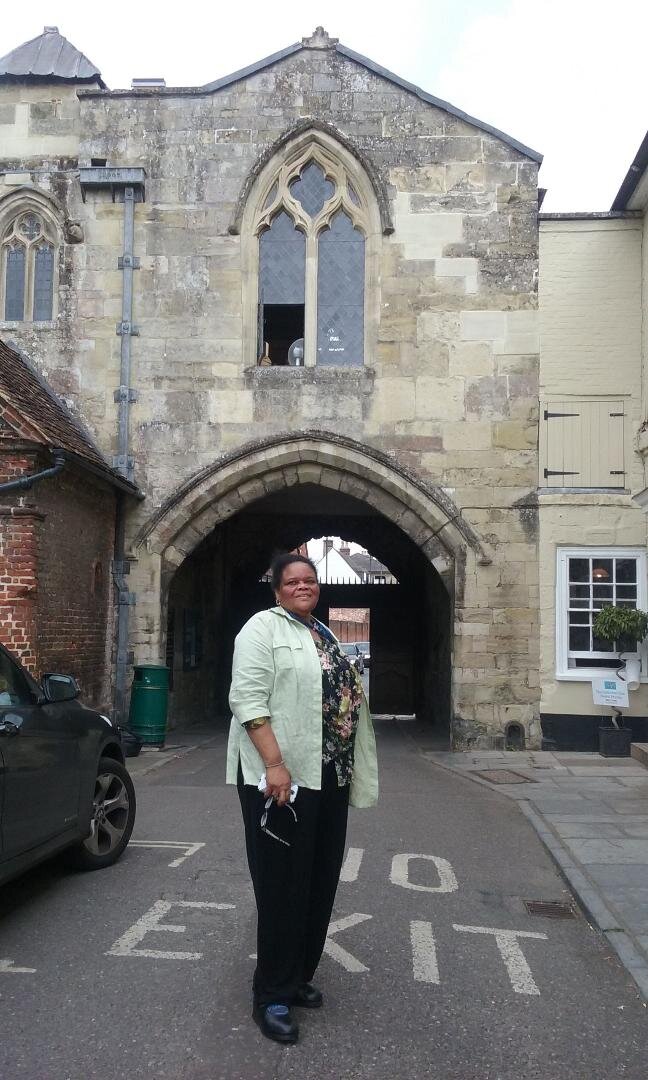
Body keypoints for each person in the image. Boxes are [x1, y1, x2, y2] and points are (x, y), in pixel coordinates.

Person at [226, 552, 378, 1045]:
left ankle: (296, 978)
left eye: (309, 580)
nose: (302, 586)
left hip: (328, 776)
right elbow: (248, 699)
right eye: (292, 581)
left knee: (318, 881)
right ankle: (270, 994)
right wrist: (273, 763)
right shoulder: (260, 630)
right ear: (276, 590)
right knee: (280, 887)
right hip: (282, 782)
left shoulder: (324, 632)